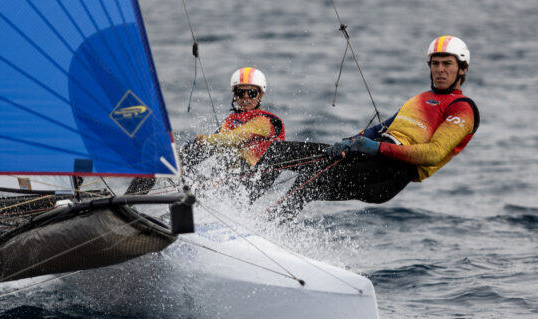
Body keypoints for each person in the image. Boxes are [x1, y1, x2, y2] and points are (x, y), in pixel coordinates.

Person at [256, 35, 480, 219]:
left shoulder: (463, 108)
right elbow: (381, 128)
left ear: (462, 69)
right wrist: (349, 142)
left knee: (311, 180)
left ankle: (264, 229)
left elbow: (433, 154)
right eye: (435, 63)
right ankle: (240, 206)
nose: (440, 69)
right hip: (368, 154)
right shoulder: (420, 98)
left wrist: (375, 148)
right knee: (277, 152)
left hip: (390, 173)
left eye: (447, 63)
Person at [180, 67, 285, 174]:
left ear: (260, 95)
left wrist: (204, 140)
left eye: (252, 93)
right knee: (192, 150)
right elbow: (217, 143)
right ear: (235, 95)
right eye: (240, 93)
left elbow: (236, 138)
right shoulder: (232, 121)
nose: (246, 97)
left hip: (254, 176)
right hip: (230, 175)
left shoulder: (264, 121)